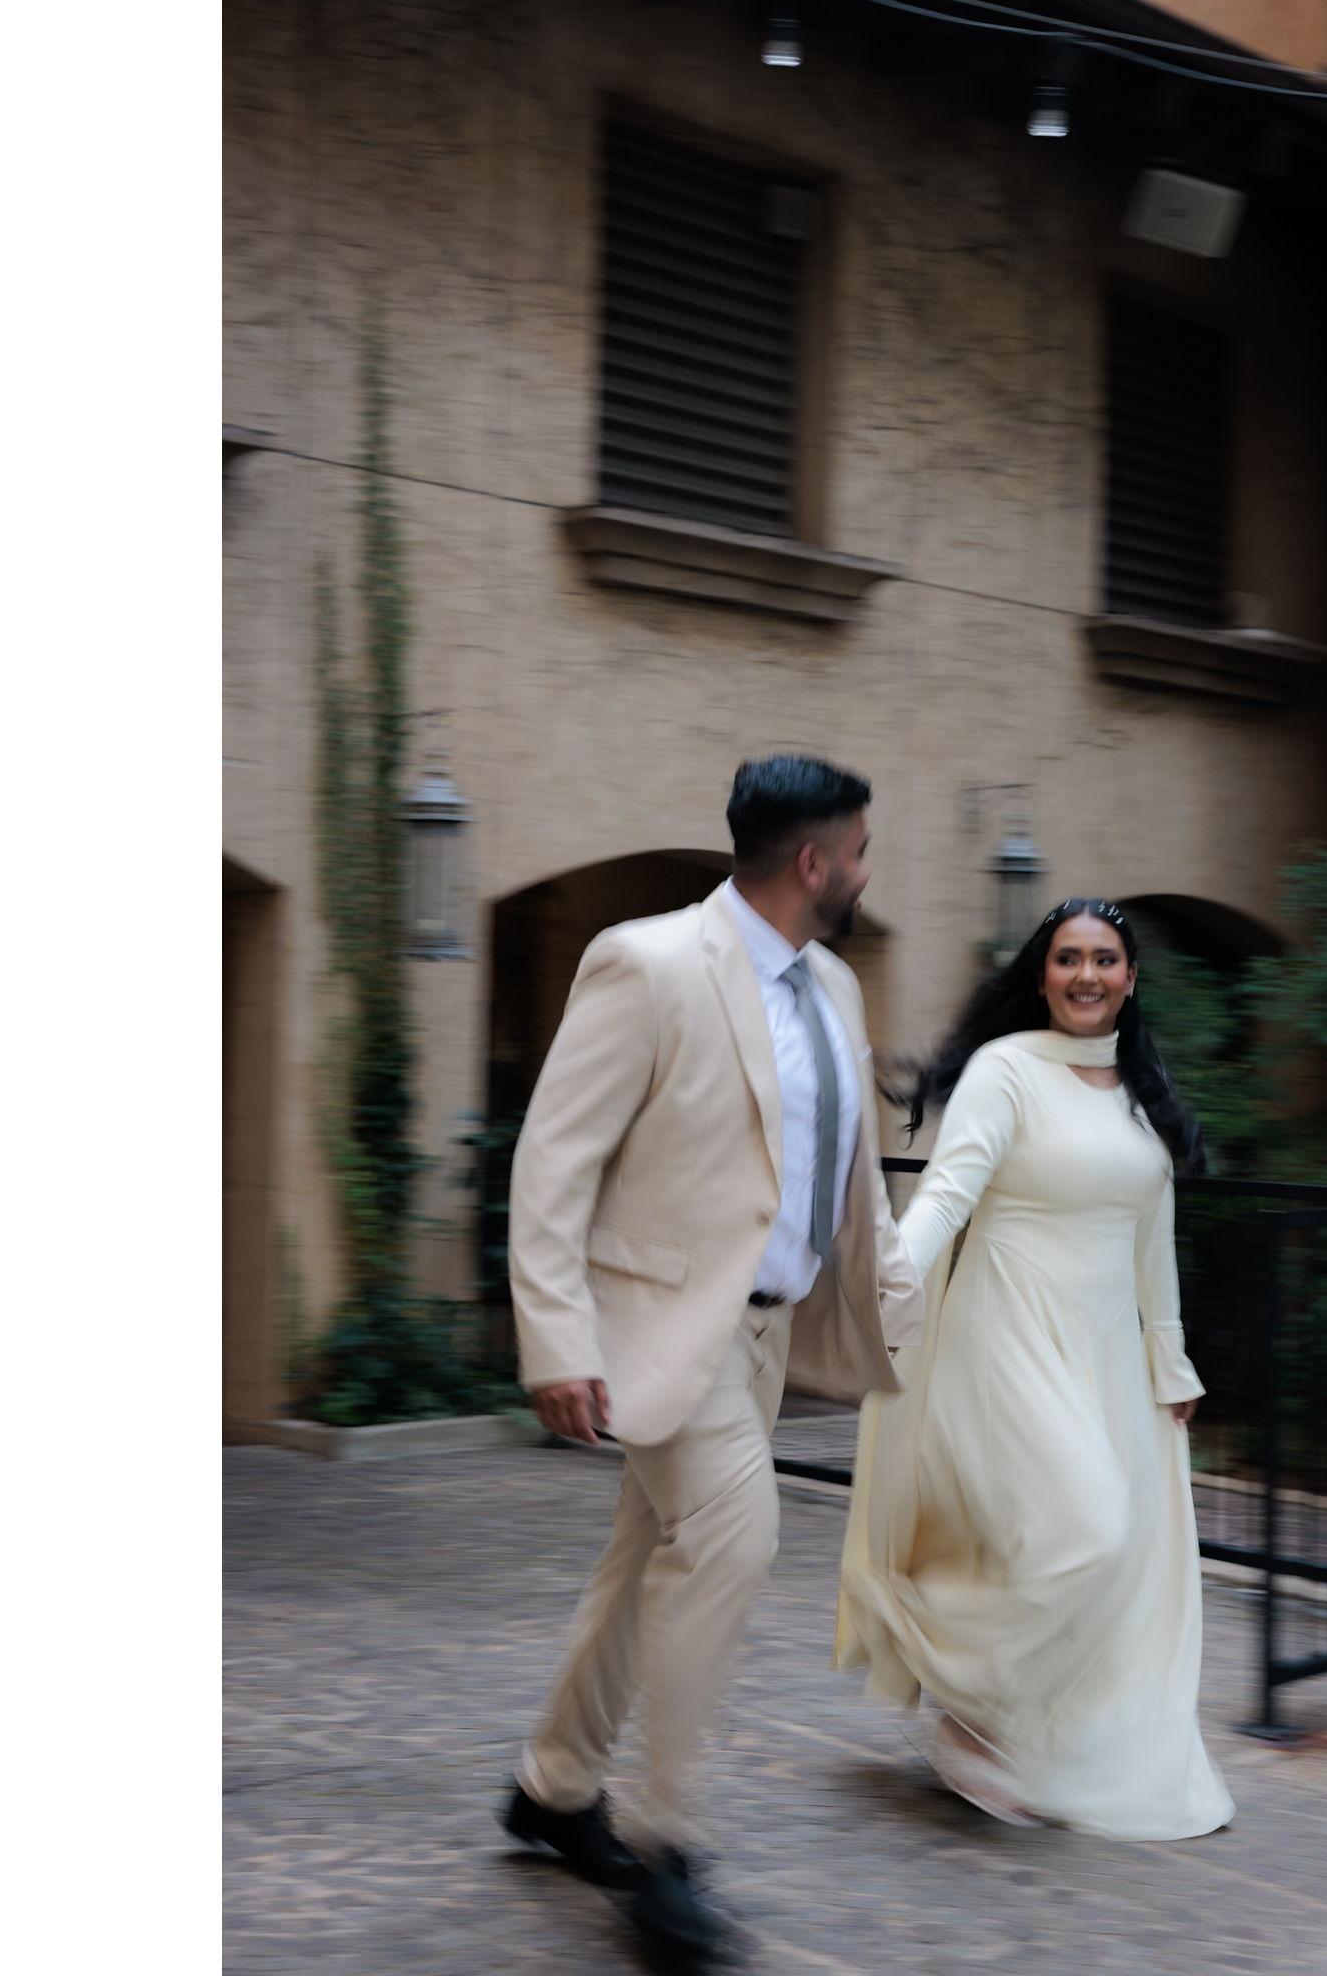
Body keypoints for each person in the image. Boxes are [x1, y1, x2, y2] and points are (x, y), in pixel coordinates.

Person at [502, 755, 922, 1963]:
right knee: (735, 1537)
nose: (865, 870)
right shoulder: (647, 962)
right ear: (813, 860)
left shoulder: (832, 983)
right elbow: (554, 1160)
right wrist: (556, 1338)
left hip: (765, 1335)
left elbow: (851, 1183)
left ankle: (553, 1785)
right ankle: (666, 1851)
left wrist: (906, 1309)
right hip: (656, 1323)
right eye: (858, 850)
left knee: (645, 1560)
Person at [837, 897, 1234, 1841]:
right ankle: (965, 1705)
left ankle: (1006, 1720)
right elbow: (946, 1197)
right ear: (1042, 975)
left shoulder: (1138, 1089)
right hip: (1008, 1327)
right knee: (1083, 1528)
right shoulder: (1006, 1070)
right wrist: (884, 1285)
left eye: (1105, 959)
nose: (1086, 974)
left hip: (1105, 1349)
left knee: (1101, 1548)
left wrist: (1169, 1359)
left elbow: (1151, 1237)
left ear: (1130, 979)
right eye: (1068, 958)